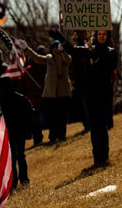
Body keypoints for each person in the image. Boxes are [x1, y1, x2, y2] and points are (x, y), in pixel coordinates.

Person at [50, 29, 118, 166]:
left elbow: (110, 67)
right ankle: (97, 158)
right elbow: (72, 50)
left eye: (104, 34)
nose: (102, 36)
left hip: (103, 93)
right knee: (93, 125)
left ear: (107, 36)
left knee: (101, 124)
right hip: (90, 94)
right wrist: (60, 38)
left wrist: (95, 56)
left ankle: (104, 156)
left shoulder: (111, 52)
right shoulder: (88, 50)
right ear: (96, 36)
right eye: (99, 34)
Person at [20, 39, 72, 142]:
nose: (55, 50)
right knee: (52, 116)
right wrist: (26, 49)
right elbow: (37, 58)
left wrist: (63, 51)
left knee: (61, 115)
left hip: (63, 92)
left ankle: (62, 136)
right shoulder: (48, 58)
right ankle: (52, 136)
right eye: (53, 48)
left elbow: (68, 60)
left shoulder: (65, 57)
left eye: (56, 48)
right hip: (51, 93)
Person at [0, 77, 33, 189]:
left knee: (12, 159)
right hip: (19, 131)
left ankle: (13, 183)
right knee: (20, 156)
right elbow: (30, 112)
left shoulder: (0, 101)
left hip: (9, 133)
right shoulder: (20, 98)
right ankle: (24, 180)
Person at [19, 45, 47, 145]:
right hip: (34, 98)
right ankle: (37, 138)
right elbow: (22, 83)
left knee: (44, 118)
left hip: (44, 95)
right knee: (35, 121)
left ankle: (44, 136)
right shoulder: (28, 70)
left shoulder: (45, 67)